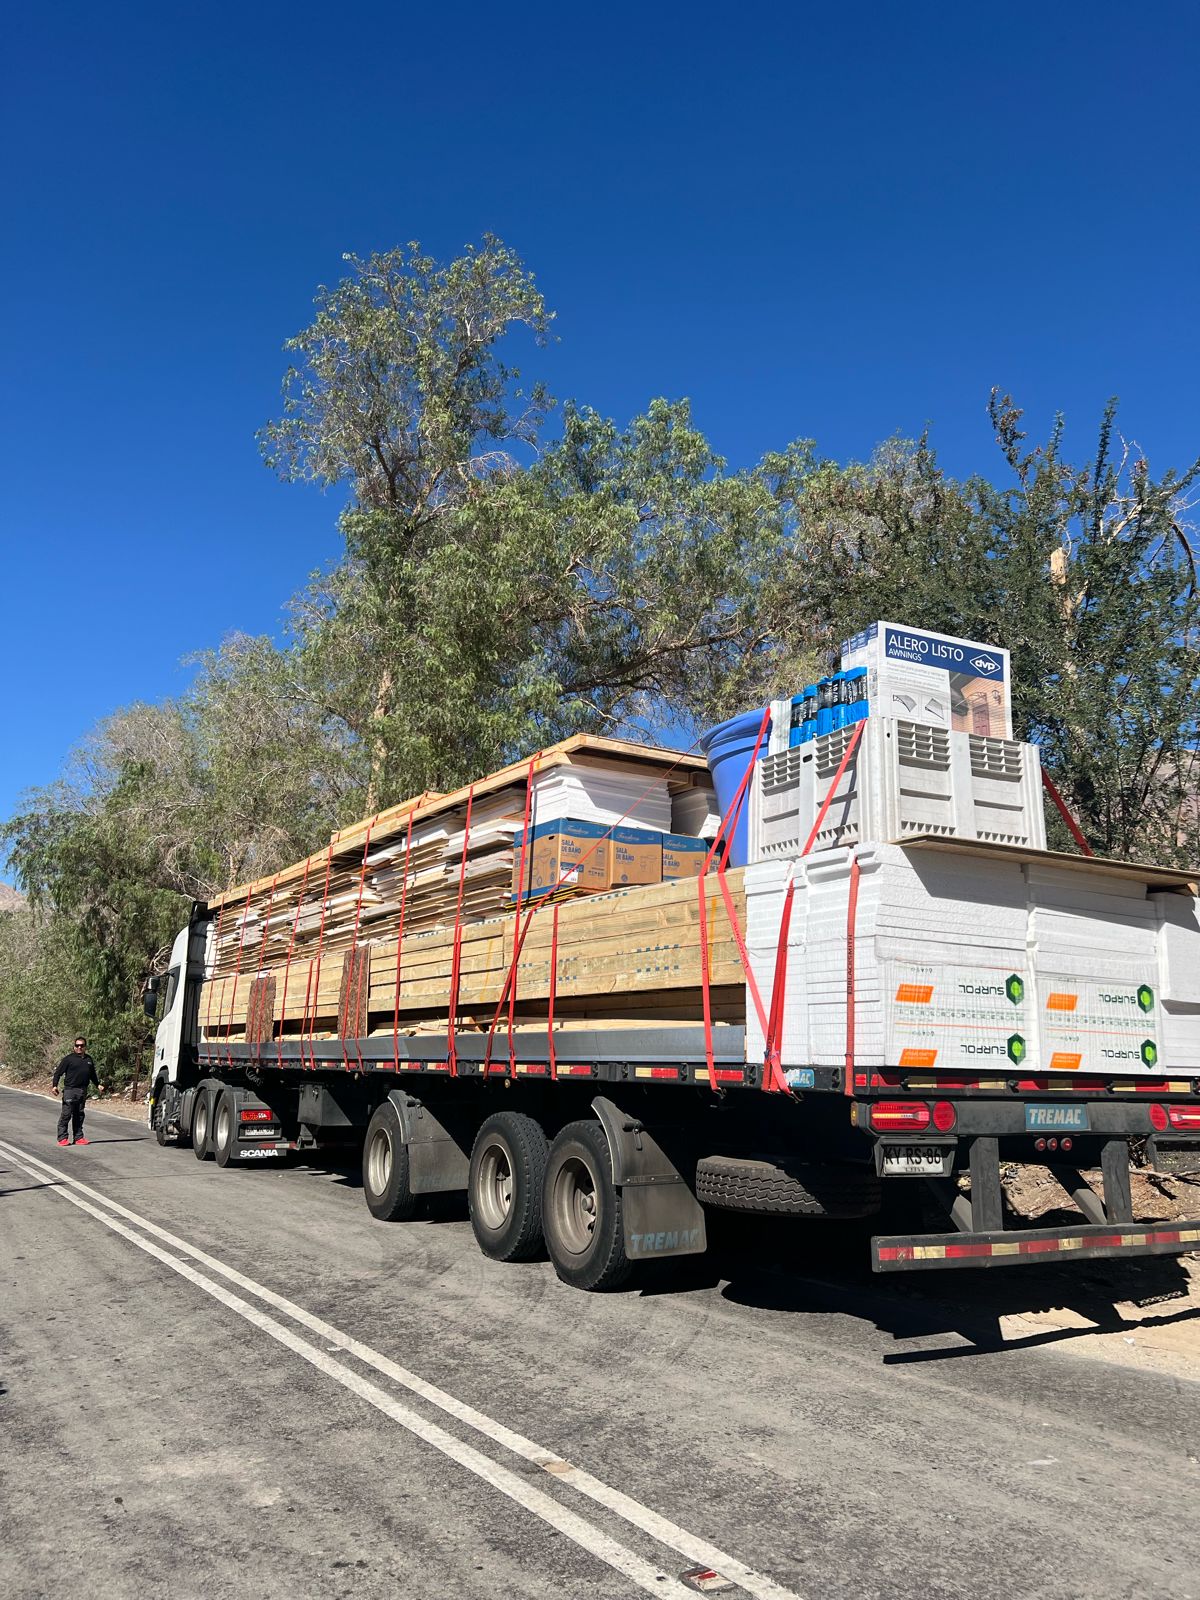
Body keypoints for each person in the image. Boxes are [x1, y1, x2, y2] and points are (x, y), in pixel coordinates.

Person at [52, 1037, 102, 1146]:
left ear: (85, 1047)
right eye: (77, 1045)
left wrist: (98, 1084)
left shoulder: (89, 1059)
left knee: (79, 1114)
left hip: (82, 1090)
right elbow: (58, 1073)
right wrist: (54, 1086)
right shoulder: (68, 1059)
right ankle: (62, 1138)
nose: (79, 1047)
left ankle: (78, 1137)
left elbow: (92, 1074)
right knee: (66, 1114)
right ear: (74, 1047)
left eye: (82, 1045)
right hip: (70, 1090)